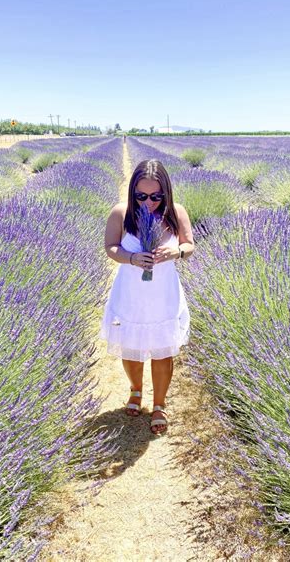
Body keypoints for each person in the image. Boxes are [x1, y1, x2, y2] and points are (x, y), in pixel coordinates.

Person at [100, 159, 194, 435]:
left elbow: (189, 245)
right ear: (132, 193)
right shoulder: (121, 213)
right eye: (141, 196)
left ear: (165, 192)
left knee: (163, 350)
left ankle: (160, 404)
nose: (148, 202)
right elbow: (110, 247)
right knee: (131, 346)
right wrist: (130, 257)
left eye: (155, 196)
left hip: (163, 294)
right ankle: (136, 390)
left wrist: (176, 253)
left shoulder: (176, 213)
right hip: (130, 293)